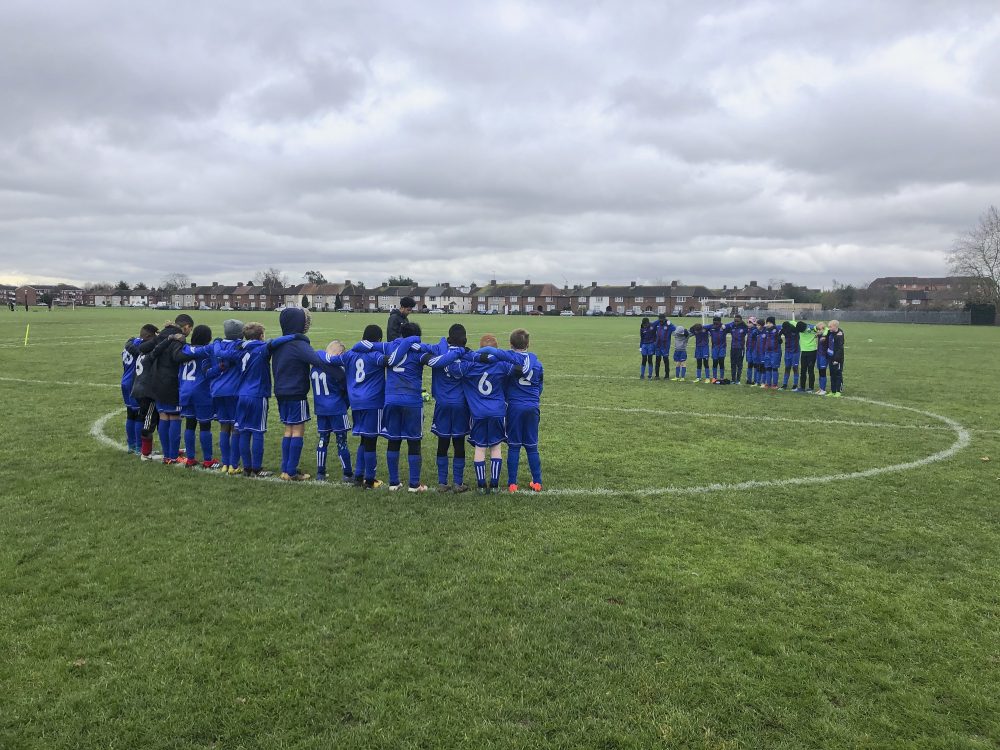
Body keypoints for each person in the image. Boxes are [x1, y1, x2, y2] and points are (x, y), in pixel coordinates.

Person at [444, 334, 523, 494]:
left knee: (480, 448)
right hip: (497, 412)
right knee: (496, 447)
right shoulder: (501, 364)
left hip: (478, 412)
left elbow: (450, 368)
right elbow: (520, 368)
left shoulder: (470, 365)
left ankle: (481, 486)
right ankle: (493, 485)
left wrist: (466, 353)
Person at [324, 325, 389, 489]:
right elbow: (392, 360)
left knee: (364, 440)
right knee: (371, 441)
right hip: (373, 403)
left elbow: (329, 359)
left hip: (356, 403)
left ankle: (358, 476)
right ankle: (369, 480)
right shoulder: (376, 355)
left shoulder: (349, 355)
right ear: (379, 340)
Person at [270, 307, 330, 481]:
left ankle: (285, 468)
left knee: (288, 429)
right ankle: (291, 471)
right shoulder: (298, 344)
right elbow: (317, 361)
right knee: (298, 430)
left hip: (281, 392)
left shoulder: (278, 344)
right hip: (296, 392)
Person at [483, 328, 544, 493]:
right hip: (532, 406)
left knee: (514, 446)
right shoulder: (537, 363)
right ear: (528, 344)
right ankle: (537, 482)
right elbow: (540, 386)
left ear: (511, 344)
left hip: (515, 407)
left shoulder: (509, 362)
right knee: (532, 446)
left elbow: (502, 382)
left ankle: (512, 484)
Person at [425, 323, 474, 493]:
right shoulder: (468, 356)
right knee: (459, 442)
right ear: (465, 339)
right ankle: (458, 483)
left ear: (448, 338)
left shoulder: (440, 352)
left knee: (443, 442)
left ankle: (442, 482)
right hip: (460, 405)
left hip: (443, 404)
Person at [149, 314, 195, 464]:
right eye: (190, 329)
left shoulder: (163, 333)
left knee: (164, 416)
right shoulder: (179, 337)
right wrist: (194, 353)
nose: (189, 333)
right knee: (175, 417)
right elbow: (176, 357)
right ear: (186, 326)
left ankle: (167, 455)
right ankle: (173, 456)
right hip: (171, 382)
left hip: (157, 380)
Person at [310, 340, 354, 483]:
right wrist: (345, 405)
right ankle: (347, 473)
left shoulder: (315, 367)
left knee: (323, 440)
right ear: (339, 354)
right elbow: (346, 391)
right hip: (337, 409)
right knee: (342, 442)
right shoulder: (337, 371)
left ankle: (320, 473)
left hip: (321, 409)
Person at [176, 325, 219, 468]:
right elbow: (211, 372)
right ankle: (207, 460)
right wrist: (221, 368)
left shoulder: (185, 349)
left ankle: (190, 458)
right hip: (201, 391)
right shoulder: (206, 351)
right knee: (205, 425)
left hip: (185, 390)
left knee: (190, 424)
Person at [121, 324, 157, 453]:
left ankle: (131, 445)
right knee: (139, 416)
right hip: (134, 382)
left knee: (130, 414)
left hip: (124, 380)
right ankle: (139, 446)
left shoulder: (130, 343)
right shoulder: (143, 346)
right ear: (148, 335)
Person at [650, 313, 675, 379]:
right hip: (658, 345)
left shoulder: (668, 324)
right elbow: (651, 326)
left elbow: (676, 329)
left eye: (662, 320)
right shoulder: (657, 323)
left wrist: (670, 323)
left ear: (664, 319)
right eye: (660, 320)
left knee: (665, 361)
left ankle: (667, 376)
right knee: (657, 360)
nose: (660, 321)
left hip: (665, 346)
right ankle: (657, 375)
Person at [759, 317, 781, 389]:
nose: (768, 324)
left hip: (775, 352)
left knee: (774, 368)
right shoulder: (766, 330)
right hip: (767, 351)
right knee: (768, 367)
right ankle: (768, 384)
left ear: (773, 323)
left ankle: (775, 384)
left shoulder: (776, 329)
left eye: (770, 323)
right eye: (767, 323)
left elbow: (782, 327)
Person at [726, 314, 749, 384]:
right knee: (733, 364)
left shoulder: (744, 328)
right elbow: (725, 326)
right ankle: (733, 379)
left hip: (740, 348)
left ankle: (738, 380)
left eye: (737, 321)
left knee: (739, 364)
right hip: (733, 348)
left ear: (741, 321)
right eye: (734, 321)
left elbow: (749, 328)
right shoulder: (732, 327)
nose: (736, 322)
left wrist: (743, 323)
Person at [705, 316, 728, 382]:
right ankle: (714, 377)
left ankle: (721, 377)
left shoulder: (724, 327)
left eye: (717, 323)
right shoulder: (711, 327)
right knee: (715, 362)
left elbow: (732, 324)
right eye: (714, 322)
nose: (715, 324)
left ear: (720, 322)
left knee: (721, 362)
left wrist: (724, 325)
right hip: (714, 347)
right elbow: (702, 327)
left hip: (722, 347)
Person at [827, 320, 846, 397]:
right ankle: (833, 390)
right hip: (831, 357)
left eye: (830, 326)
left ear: (835, 326)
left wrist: (836, 359)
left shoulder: (839, 335)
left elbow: (840, 349)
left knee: (838, 374)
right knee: (832, 374)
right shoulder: (830, 332)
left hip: (837, 358)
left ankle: (838, 391)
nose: (829, 328)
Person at [779, 320, 801, 390]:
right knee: (787, 367)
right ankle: (784, 384)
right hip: (787, 351)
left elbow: (802, 326)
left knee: (795, 368)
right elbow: (778, 333)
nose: (785, 330)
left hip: (795, 352)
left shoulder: (795, 330)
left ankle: (795, 385)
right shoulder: (784, 329)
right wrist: (779, 338)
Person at [798, 320, 818, 393]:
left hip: (812, 351)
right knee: (803, 370)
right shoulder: (799, 327)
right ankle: (802, 387)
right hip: (803, 351)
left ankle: (810, 387)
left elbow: (823, 328)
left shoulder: (811, 327)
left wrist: (819, 333)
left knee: (810, 370)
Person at [815, 322, 829, 395]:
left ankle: (823, 389)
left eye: (819, 329)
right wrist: (819, 333)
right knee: (820, 371)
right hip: (819, 355)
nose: (817, 331)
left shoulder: (826, 332)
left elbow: (826, 331)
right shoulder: (820, 334)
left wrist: (821, 333)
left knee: (823, 372)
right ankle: (821, 388)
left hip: (824, 355)